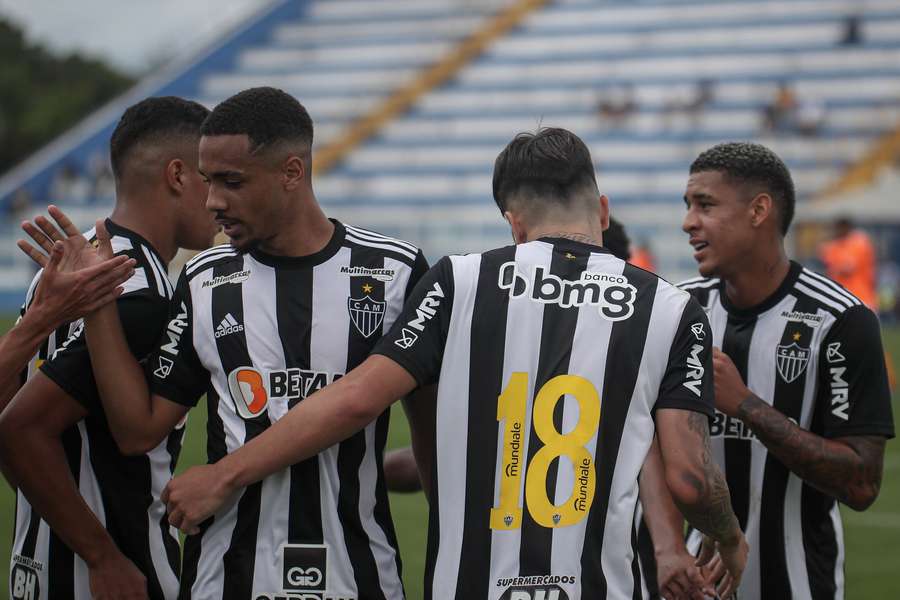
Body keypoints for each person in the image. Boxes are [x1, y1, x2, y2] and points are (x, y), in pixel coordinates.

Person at [161, 127, 749, 599]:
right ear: (601, 209)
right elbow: (690, 478)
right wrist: (726, 538)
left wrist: (227, 472)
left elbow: (357, 399)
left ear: (513, 222)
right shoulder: (671, 308)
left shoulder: (458, 281)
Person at [45, 86, 429, 599]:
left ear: (292, 172)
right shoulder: (203, 278)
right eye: (206, 182)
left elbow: (432, 434)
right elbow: (138, 431)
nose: (213, 202)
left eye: (232, 182)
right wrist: (97, 307)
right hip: (224, 577)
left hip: (356, 576)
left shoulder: (395, 273)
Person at [0, 96, 217, 600]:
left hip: (38, 565)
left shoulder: (57, 275)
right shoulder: (137, 290)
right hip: (118, 572)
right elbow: (18, 428)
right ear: (179, 176)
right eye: (214, 179)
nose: (220, 201)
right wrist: (102, 557)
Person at [678, 142, 894, 598]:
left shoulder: (842, 321)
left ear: (759, 210)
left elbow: (861, 483)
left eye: (706, 205)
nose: (688, 222)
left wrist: (747, 406)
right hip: (696, 584)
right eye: (687, 206)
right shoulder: (679, 311)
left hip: (799, 585)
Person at [819, 216, 878, 310]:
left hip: (860, 296)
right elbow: (826, 264)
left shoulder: (858, 243)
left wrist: (834, 268)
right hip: (842, 296)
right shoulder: (835, 245)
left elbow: (848, 267)